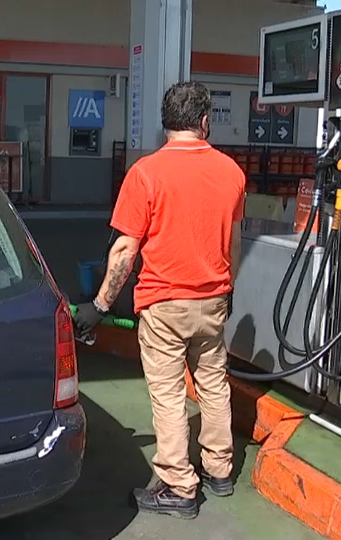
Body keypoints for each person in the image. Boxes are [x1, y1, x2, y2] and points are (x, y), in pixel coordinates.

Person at [72, 81, 245, 520]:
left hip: (164, 304)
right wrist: (226, 286)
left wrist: (101, 305)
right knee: (213, 384)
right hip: (213, 300)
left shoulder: (146, 173)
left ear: (165, 124)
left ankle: (178, 485)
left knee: (169, 396)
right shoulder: (231, 173)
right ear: (205, 122)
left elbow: (125, 250)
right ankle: (219, 470)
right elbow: (235, 243)